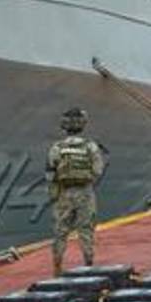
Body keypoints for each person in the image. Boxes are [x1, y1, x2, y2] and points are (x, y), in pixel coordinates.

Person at [47, 108, 105, 276]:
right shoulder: (90, 146)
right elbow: (98, 170)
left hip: (64, 193)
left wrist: (54, 193)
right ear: (83, 125)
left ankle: (57, 267)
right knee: (86, 230)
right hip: (85, 192)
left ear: (64, 126)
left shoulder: (57, 147)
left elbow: (50, 172)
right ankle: (88, 265)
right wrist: (88, 184)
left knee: (60, 231)